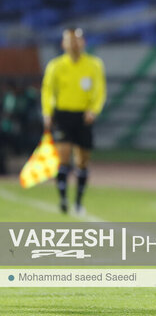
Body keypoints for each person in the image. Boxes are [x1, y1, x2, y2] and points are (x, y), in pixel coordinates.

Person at [41, 28, 106, 215]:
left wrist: (94, 110)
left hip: (83, 117)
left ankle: (78, 202)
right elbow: (47, 90)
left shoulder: (94, 65)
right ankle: (62, 199)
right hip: (63, 116)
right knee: (64, 157)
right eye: (69, 40)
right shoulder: (56, 66)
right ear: (63, 44)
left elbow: (100, 90)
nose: (73, 44)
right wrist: (47, 113)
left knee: (82, 161)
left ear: (83, 42)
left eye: (76, 40)